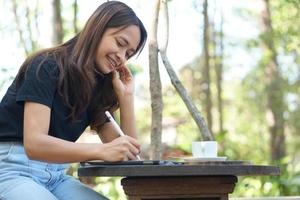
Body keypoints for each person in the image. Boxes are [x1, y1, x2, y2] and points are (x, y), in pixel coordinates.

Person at [0, 1, 147, 199]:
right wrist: (101, 151)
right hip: (12, 169)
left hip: (56, 177)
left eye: (128, 54)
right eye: (120, 43)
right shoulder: (46, 65)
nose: (121, 56)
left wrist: (126, 98)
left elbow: (130, 159)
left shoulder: (98, 88)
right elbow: (34, 144)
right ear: (98, 28)